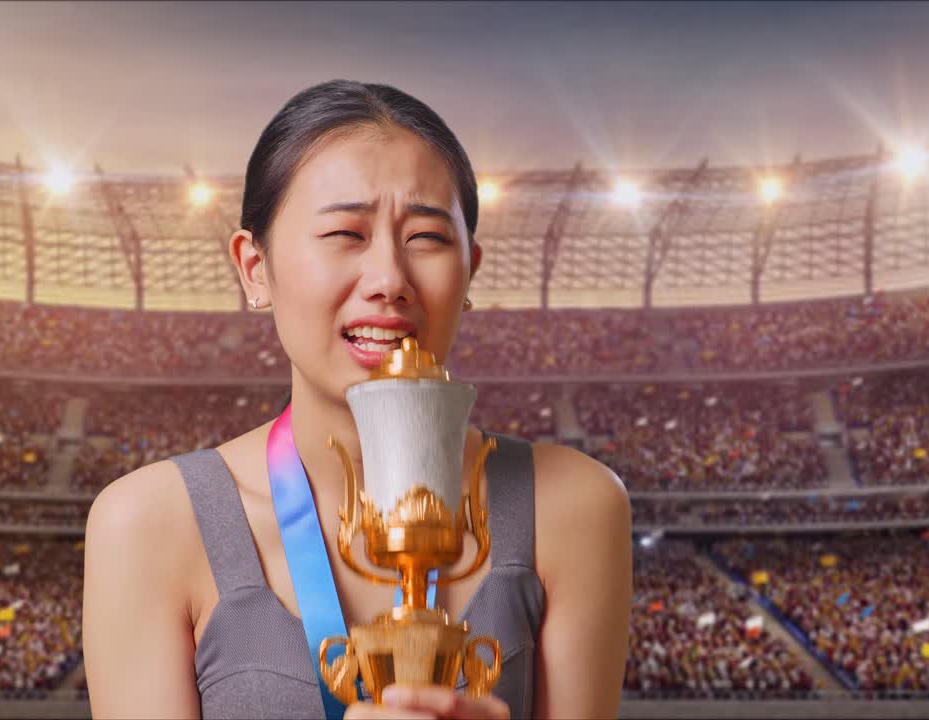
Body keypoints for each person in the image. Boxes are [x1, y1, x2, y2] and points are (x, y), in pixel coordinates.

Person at [83, 79, 632, 719]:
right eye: (346, 232)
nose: (390, 280)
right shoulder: (150, 523)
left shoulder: (572, 507)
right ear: (255, 267)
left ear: (471, 270)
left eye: (426, 238)